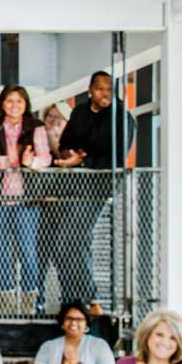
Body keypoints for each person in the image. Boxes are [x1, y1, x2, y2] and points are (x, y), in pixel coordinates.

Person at [50, 71, 135, 311]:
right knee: (62, 244)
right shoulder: (80, 112)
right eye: (99, 88)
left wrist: (83, 162)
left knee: (70, 240)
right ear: (90, 89)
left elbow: (117, 158)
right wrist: (70, 155)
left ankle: (90, 299)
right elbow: (66, 142)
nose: (104, 93)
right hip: (72, 186)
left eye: (109, 89)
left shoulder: (121, 118)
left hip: (98, 188)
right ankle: (74, 300)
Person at [0, 84, 52, 316]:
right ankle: (6, 306)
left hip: (27, 199)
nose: (14, 105)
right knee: (0, 251)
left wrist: (29, 163)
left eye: (19, 101)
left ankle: (31, 302)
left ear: (26, 105)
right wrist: (11, 160)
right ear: (2, 104)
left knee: (27, 250)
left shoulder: (36, 127)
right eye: (9, 101)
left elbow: (45, 157)